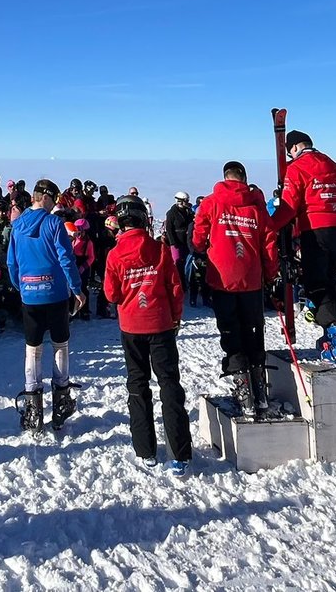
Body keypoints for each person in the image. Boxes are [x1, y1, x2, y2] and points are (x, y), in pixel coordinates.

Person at [104, 193, 191, 474]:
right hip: (161, 325)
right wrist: (175, 317)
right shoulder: (161, 249)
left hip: (131, 327)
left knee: (137, 385)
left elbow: (112, 294)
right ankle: (179, 453)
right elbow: (175, 288)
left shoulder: (115, 254)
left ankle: (146, 450)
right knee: (169, 385)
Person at [192, 162, 287, 402]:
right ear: (244, 178)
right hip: (251, 280)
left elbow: (198, 239)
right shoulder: (256, 208)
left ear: (225, 177)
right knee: (253, 330)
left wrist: (203, 250)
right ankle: (259, 387)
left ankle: (242, 387)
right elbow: (269, 245)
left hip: (222, 279)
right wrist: (270, 274)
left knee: (230, 331)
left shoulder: (210, 203)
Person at [5, 179, 84, 433]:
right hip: (56, 294)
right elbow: (66, 258)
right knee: (60, 345)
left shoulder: (17, 226)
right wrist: (77, 289)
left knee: (32, 349)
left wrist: (22, 287)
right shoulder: (54, 223)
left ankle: (32, 410)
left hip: (30, 295)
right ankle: (61, 402)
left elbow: (11, 263)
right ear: (47, 197)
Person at [273, 131, 336, 366]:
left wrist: (270, 225)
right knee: (330, 282)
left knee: (316, 285)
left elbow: (289, 206)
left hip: (315, 229)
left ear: (294, 148)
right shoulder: (334, 165)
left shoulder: (298, 167)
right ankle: (335, 336)